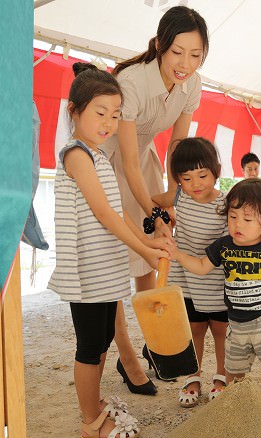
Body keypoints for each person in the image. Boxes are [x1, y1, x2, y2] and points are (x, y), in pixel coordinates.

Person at [47, 63, 171, 438]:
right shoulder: (76, 155)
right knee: (89, 347)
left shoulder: (99, 156)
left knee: (101, 342)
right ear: (75, 111)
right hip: (86, 271)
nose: (109, 123)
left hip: (105, 271)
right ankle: (90, 421)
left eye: (116, 115)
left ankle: (96, 402)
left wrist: (150, 242)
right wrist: (144, 252)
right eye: (100, 113)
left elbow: (118, 214)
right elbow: (102, 214)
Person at [99, 6, 209, 385]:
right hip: (105, 159)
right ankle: (127, 358)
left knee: (151, 253)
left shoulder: (192, 84)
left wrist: (172, 194)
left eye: (196, 55)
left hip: (142, 158)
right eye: (178, 52)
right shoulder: (131, 81)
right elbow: (126, 162)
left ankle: (154, 344)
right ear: (161, 44)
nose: (186, 63)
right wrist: (154, 208)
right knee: (115, 258)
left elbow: (177, 144)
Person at [170, 178, 261, 403]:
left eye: (247, 219)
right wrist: (178, 254)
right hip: (237, 324)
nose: (238, 224)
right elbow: (201, 267)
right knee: (233, 371)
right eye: (233, 217)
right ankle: (238, 409)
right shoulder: (224, 245)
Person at [152, 137, 229, 407]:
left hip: (216, 277)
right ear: (178, 180)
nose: (195, 184)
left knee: (221, 329)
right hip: (185, 276)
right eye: (186, 178)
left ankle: (221, 377)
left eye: (202, 175)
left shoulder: (227, 204)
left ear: (216, 171)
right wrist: (162, 223)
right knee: (193, 329)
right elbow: (154, 206)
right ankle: (192, 375)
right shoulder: (178, 197)